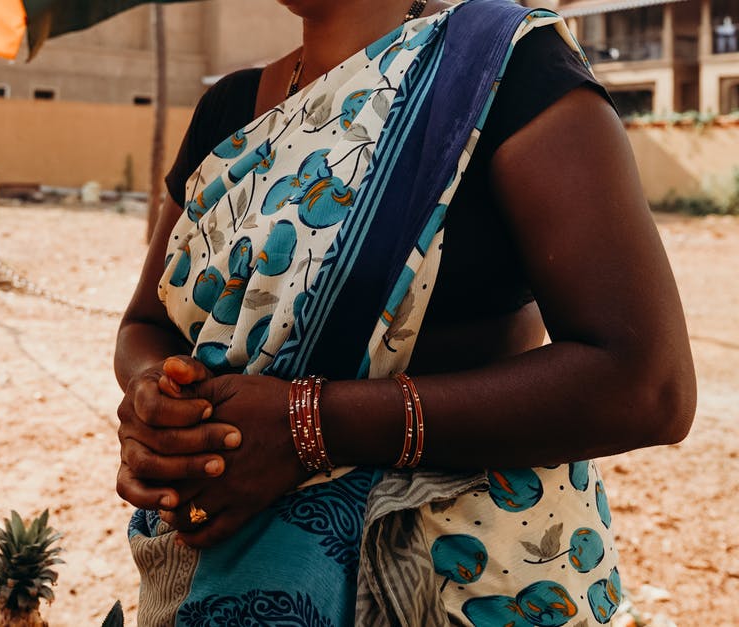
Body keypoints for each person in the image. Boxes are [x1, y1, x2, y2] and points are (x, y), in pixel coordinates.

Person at [112, 0, 697, 625]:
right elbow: (144, 325)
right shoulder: (228, 109)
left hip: (461, 582)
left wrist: (309, 426)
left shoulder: (498, 68)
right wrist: (162, 400)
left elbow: (646, 383)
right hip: (222, 576)